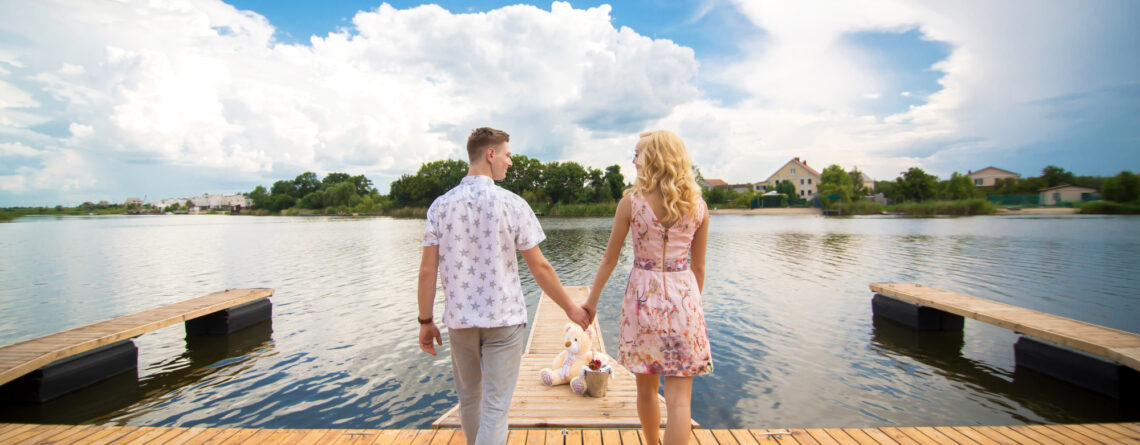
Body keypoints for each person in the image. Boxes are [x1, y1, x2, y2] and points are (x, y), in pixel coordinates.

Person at [417, 127, 591, 445]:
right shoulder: (512, 204)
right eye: (508, 155)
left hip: (461, 323)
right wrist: (571, 308)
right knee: (496, 408)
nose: (510, 162)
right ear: (491, 154)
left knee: (470, 401)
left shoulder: (440, 207)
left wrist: (425, 322)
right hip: (504, 320)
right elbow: (539, 266)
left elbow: (427, 271)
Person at [582, 130, 713, 445]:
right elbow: (698, 268)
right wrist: (692, 306)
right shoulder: (698, 206)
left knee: (647, 391)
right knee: (681, 402)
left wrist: (591, 303)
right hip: (685, 302)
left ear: (653, 158)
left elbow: (609, 260)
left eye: (637, 153)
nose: (633, 160)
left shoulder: (631, 203)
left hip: (643, 303)